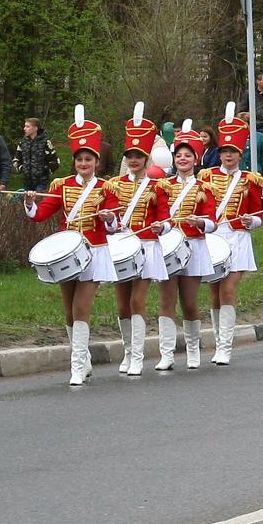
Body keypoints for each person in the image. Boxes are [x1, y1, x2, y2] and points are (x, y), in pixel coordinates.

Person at [25, 108, 118, 387]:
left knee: (81, 308)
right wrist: (30, 201)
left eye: (89, 159)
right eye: (80, 159)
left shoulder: (106, 188)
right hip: (66, 252)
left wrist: (109, 217)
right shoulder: (61, 186)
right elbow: (40, 215)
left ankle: (76, 366)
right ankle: (85, 360)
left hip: (94, 252)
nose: (84, 163)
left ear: (97, 162)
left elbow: (115, 222)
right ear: (74, 161)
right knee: (68, 311)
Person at [104, 108, 168, 379]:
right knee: (121, 305)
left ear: (146, 158)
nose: (133, 160)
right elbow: (110, 222)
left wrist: (160, 226)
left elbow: (167, 218)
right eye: (129, 156)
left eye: (138, 156)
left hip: (146, 247)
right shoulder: (114, 185)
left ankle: (139, 357)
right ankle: (128, 351)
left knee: (137, 300)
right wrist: (109, 220)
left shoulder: (157, 186)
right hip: (121, 247)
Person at [201, 106, 263, 366]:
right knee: (214, 293)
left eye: (233, 152)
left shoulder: (250, 180)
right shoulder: (206, 177)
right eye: (225, 151)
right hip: (214, 239)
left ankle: (225, 346)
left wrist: (253, 221)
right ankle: (218, 341)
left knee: (228, 290)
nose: (228, 156)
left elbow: (259, 213)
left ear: (240, 154)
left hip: (238, 238)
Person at [156, 122, 218, 369]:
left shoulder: (205, 187)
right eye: (179, 155)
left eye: (187, 155)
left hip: (193, 246)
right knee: (166, 301)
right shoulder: (162, 186)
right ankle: (167, 354)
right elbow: (158, 215)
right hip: (168, 248)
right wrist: (160, 227)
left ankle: (193, 350)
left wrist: (201, 222)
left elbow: (213, 221)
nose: (182, 159)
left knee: (190, 303)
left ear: (196, 158)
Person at [16, 117, 57, 195]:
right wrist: (22, 169)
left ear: (35, 128)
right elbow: (16, 159)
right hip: (26, 181)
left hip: (41, 181)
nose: (24, 129)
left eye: (27, 126)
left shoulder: (46, 142)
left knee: (38, 203)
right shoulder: (23, 143)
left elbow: (55, 161)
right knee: (26, 203)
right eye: (25, 126)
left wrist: (45, 170)